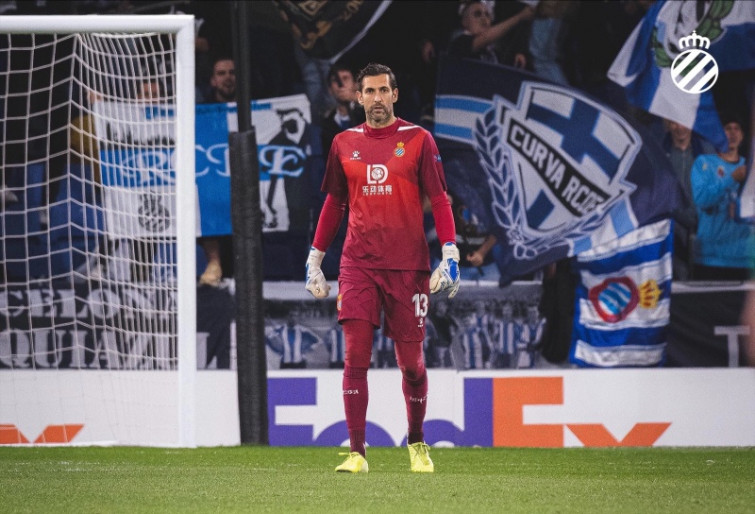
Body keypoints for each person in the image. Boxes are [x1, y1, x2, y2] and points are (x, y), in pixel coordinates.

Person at [303, 63, 460, 474]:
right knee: (355, 354)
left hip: (409, 268)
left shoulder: (418, 140)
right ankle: (357, 453)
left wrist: (451, 253)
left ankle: (417, 441)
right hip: (358, 265)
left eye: (382, 91)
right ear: (358, 97)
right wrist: (315, 259)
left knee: (411, 363)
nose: (375, 98)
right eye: (368, 91)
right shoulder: (342, 143)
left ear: (395, 95)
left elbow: (440, 199)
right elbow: (335, 203)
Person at [691, 114, 755, 280]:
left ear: (742, 136)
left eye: (737, 129)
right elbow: (702, 200)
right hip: (711, 259)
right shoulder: (703, 163)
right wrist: (731, 178)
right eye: (727, 128)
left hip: (744, 259)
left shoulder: (751, 167)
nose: (732, 133)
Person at [198, 57, 237, 287]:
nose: (227, 78)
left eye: (232, 72)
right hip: (214, 184)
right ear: (213, 81)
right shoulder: (201, 113)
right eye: (221, 74)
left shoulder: (253, 108)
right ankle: (214, 264)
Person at [662, 119, 715, 280]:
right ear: (668, 125)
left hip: (703, 231)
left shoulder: (707, 152)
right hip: (671, 231)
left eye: (683, 122)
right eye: (674, 123)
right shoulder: (660, 152)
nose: (679, 128)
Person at [448, 0, 534, 63]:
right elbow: (485, 38)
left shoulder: (495, 52)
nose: (483, 18)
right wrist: (519, 17)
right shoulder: (459, 42)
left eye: (487, 15)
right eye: (477, 14)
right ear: (464, 21)